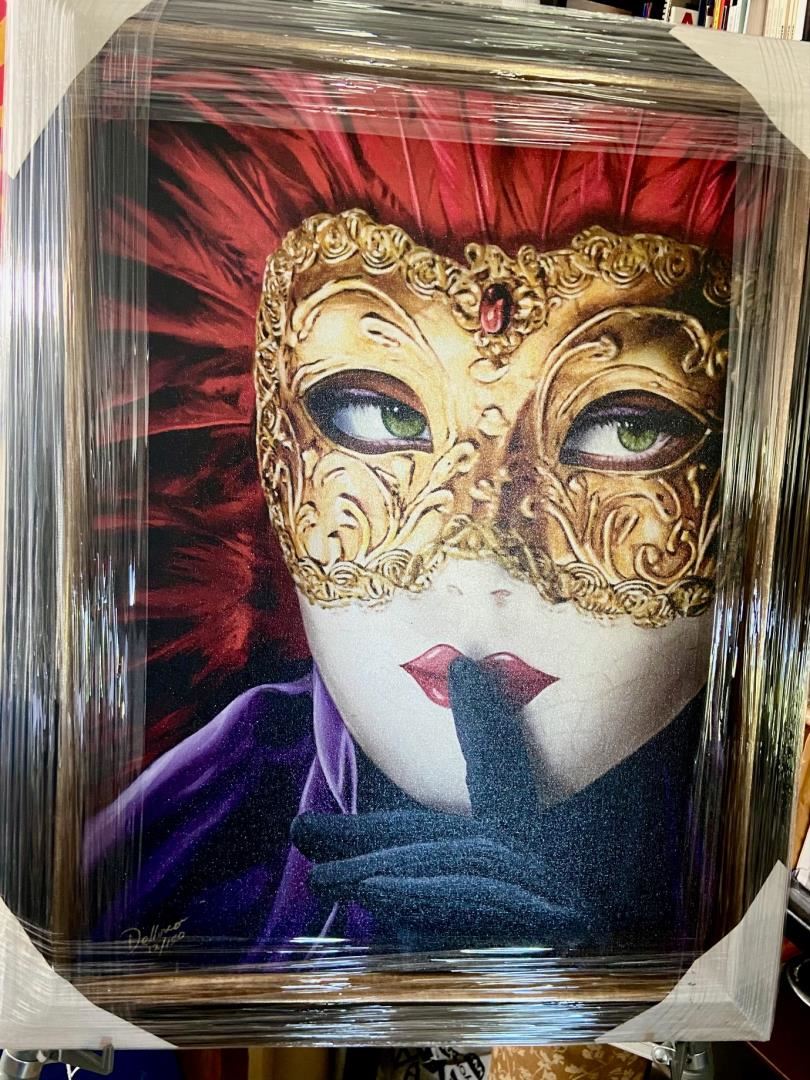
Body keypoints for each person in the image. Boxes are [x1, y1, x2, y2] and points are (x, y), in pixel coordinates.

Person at [84, 82, 738, 961]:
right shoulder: (171, 851)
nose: (476, 564)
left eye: (629, 429)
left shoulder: (763, 867)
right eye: (379, 414)